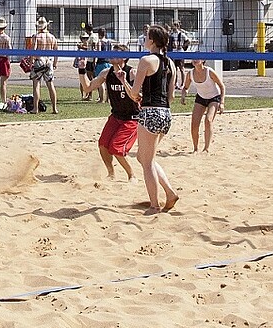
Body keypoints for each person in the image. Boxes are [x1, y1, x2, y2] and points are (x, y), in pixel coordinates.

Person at [113, 23, 179, 214]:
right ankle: (169, 192)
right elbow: (171, 96)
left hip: (150, 113)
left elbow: (134, 95)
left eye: (146, 36)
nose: (144, 38)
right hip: (166, 114)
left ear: (151, 40)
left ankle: (154, 205)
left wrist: (126, 80)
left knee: (147, 162)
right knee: (143, 157)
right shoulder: (171, 63)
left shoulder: (146, 60)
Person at [83, 45, 137, 179]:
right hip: (116, 116)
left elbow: (136, 96)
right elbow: (87, 87)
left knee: (117, 149)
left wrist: (123, 81)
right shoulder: (106, 73)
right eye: (111, 52)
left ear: (124, 57)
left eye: (116, 53)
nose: (112, 54)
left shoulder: (132, 73)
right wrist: (81, 69)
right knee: (103, 145)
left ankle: (132, 175)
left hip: (132, 118)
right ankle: (111, 173)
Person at [181, 58, 225, 153]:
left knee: (208, 120)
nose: (195, 60)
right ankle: (195, 148)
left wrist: (222, 103)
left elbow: (222, 86)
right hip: (201, 98)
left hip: (214, 97)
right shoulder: (190, 74)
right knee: (194, 124)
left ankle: (206, 148)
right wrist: (183, 96)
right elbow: (185, 87)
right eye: (193, 58)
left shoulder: (209, 71)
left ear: (203, 60)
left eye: (197, 58)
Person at [30, 16, 59, 115]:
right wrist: (55, 63)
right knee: (51, 85)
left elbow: (33, 51)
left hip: (39, 60)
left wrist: (31, 62)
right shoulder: (52, 37)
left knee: (36, 85)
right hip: (48, 61)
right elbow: (56, 52)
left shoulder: (36, 36)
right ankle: (54, 108)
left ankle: (35, 108)